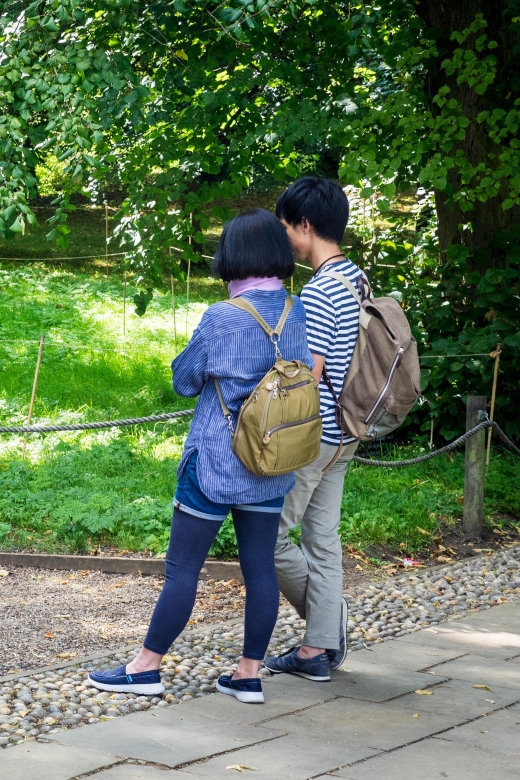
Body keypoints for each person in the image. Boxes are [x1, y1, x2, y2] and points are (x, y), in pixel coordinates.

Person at [88, 208, 314, 704]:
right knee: (259, 569)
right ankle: (248, 674)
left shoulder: (222, 316)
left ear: (232, 255)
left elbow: (184, 380)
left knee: (183, 570)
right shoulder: (295, 312)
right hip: (271, 462)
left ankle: (146, 667)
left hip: (214, 461)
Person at [265, 177, 362, 682]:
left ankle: (328, 630)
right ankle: (315, 650)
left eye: (286, 227)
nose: (285, 239)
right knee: (323, 541)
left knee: (269, 539)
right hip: (346, 432)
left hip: (314, 436)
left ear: (304, 225)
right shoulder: (355, 278)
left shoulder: (322, 290)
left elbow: (312, 371)